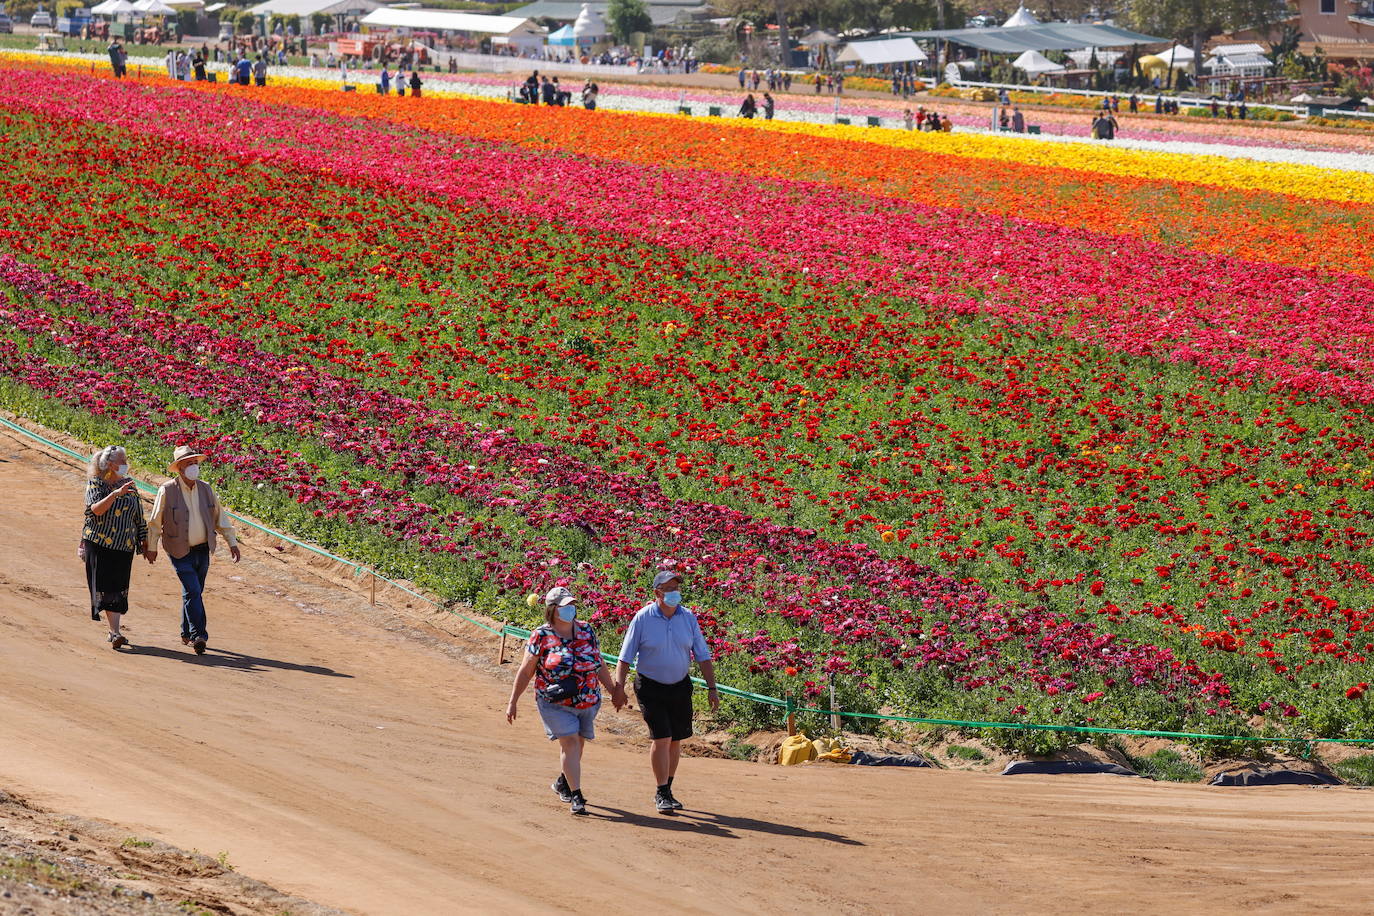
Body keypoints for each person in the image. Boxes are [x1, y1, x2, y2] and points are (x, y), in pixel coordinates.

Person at [506, 587, 623, 816]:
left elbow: (598, 663)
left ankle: (563, 781)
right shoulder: (541, 635)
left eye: (572, 605)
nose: (571, 609)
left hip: (587, 700)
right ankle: (577, 795)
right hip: (555, 702)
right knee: (569, 742)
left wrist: (613, 691)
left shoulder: (587, 630)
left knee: (577, 746)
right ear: (552, 610)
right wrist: (513, 701)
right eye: (565, 606)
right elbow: (526, 670)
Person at [614, 570, 719, 813]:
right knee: (661, 737)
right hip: (650, 686)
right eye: (670, 589)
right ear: (657, 593)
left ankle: (668, 788)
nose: (675, 593)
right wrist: (618, 689)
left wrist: (712, 688)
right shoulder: (642, 618)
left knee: (675, 740)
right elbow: (625, 658)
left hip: (680, 685)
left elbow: (702, 655)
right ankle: (661, 791)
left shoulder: (688, 618)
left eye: (677, 588)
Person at [145, 446, 240, 655]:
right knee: (193, 590)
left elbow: (220, 517)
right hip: (178, 549)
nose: (193, 467)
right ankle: (199, 635)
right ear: (179, 468)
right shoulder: (167, 490)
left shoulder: (206, 489)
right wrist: (151, 547)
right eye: (188, 463)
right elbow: (155, 521)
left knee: (193, 592)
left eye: (195, 463)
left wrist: (232, 542)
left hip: (202, 549)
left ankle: (186, 632)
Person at [82, 446, 146, 651]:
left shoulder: (130, 485)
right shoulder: (96, 484)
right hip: (99, 545)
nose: (126, 463)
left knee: (118, 588)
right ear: (109, 464)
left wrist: (145, 542)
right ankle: (115, 632)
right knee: (106, 586)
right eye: (122, 460)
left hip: (124, 546)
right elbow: (95, 510)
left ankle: (114, 631)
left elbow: (139, 516)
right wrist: (115, 494)